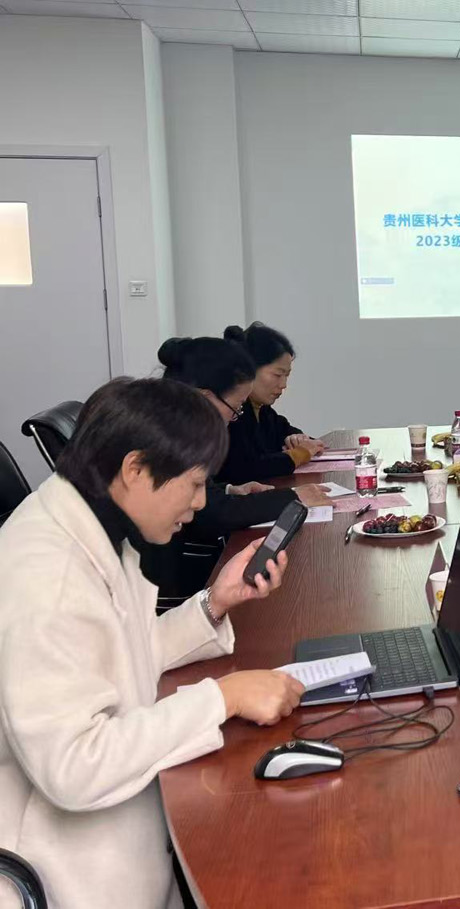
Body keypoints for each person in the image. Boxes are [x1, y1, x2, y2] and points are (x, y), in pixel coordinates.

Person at [0, 377, 305, 909]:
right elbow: (75, 766)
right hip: (75, 878)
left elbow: (118, 657)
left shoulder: (89, 525)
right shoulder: (49, 576)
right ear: (136, 469)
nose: (200, 501)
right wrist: (223, 698)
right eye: (194, 483)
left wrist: (215, 602)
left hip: (132, 839)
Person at [142, 337, 327, 600]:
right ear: (205, 398)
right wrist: (293, 498)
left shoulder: (174, 428)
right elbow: (209, 513)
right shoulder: (168, 440)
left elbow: (207, 495)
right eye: (235, 409)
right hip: (168, 586)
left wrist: (229, 490)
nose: (234, 418)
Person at [218, 322, 323, 485]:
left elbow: (284, 430)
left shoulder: (262, 409)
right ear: (248, 369)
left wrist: (297, 438)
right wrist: (298, 454)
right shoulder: (231, 412)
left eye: (287, 376)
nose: (283, 385)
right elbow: (245, 469)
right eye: (277, 375)